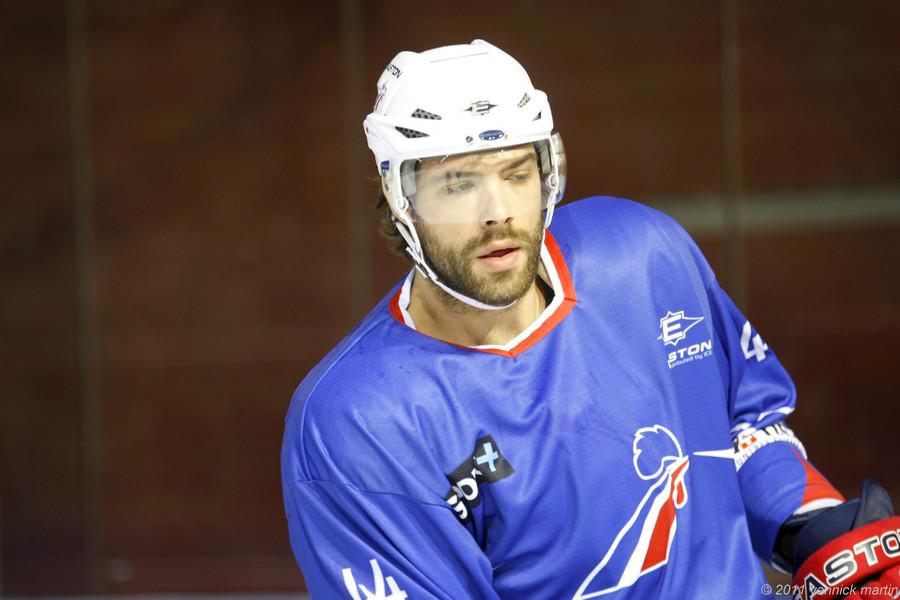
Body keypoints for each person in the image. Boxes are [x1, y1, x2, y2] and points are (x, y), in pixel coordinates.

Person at [281, 40, 899, 599]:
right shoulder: (357, 423)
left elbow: (742, 421)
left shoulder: (642, 255)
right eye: (459, 185)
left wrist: (813, 529)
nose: (497, 212)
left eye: (516, 174)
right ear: (401, 199)